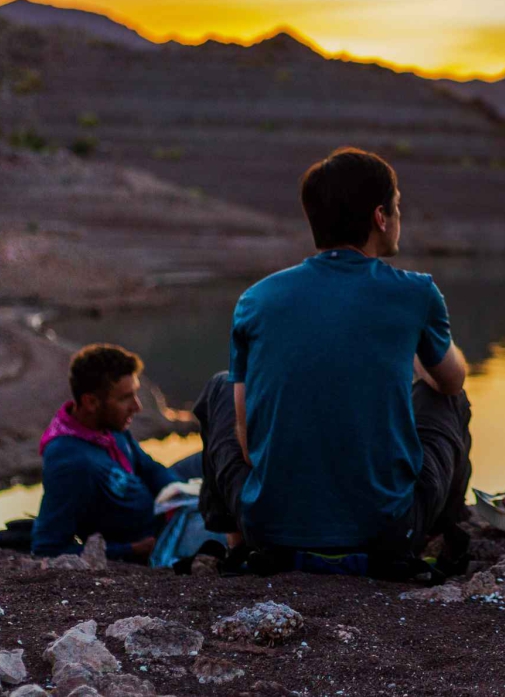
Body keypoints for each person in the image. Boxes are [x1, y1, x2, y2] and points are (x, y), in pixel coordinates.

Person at [199, 147, 472, 561]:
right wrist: (414, 356)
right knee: (445, 399)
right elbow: (452, 380)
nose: (399, 219)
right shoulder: (415, 292)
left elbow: (248, 443)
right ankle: (437, 540)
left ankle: (237, 548)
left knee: (221, 387)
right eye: (397, 208)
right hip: (385, 534)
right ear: (381, 217)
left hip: (270, 531)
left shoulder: (255, 299)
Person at [31, 344, 178, 560]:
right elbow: (48, 548)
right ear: (91, 402)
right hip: (160, 539)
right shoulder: (71, 463)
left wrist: (177, 493)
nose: (137, 407)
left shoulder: (109, 428)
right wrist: (132, 550)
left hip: (167, 511)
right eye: (125, 398)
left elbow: (149, 467)